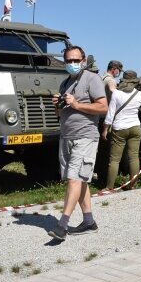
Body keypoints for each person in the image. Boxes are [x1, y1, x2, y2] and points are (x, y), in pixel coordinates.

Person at [48, 45, 108, 240]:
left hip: (85, 136)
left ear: (83, 61)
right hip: (67, 136)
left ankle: (62, 225)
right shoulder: (65, 83)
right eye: (69, 61)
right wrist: (58, 105)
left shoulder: (92, 79)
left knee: (74, 178)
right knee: (78, 179)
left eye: (76, 60)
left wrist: (76, 104)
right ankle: (89, 222)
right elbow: (61, 113)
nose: (72, 64)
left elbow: (103, 107)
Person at [101, 70, 141, 191]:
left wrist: (105, 130)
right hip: (135, 126)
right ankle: (133, 185)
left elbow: (110, 114)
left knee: (114, 160)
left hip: (119, 128)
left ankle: (109, 187)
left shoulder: (117, 94)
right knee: (134, 157)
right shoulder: (139, 94)